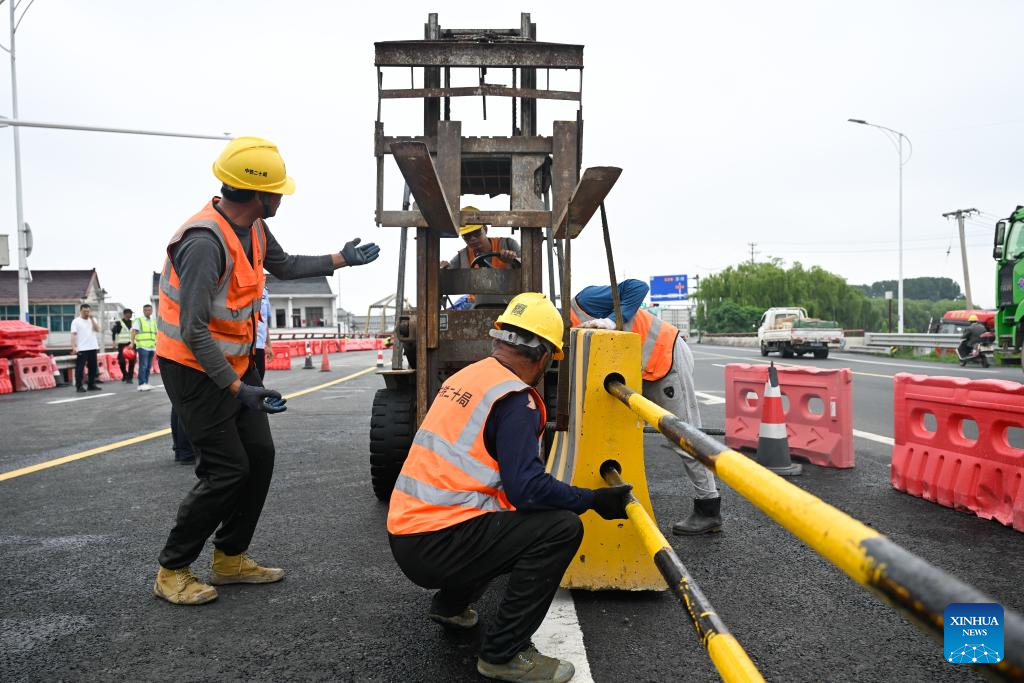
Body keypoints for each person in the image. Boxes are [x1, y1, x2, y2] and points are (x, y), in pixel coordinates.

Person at [152, 136, 380, 606]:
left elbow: (285, 265)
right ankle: (172, 569)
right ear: (259, 195)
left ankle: (230, 558)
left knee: (259, 456)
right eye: (277, 191)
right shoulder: (203, 243)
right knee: (226, 470)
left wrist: (341, 259)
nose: (281, 199)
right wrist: (238, 388)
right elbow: (193, 330)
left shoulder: (253, 227)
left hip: (235, 364)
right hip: (194, 369)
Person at [388, 292, 632, 683]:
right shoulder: (516, 401)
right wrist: (592, 500)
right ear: (543, 356)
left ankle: (451, 605)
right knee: (560, 528)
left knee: (499, 516)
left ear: (500, 338)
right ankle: (503, 653)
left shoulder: (467, 377)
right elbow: (528, 490)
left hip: (407, 532)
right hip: (436, 545)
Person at [570, 279, 722, 535]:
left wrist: (610, 321)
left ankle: (709, 508)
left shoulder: (584, 301)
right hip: (640, 370)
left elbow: (637, 287)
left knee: (684, 435)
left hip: (664, 357)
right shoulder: (567, 330)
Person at [440, 207, 521, 269]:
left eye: (476, 233)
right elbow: (447, 271)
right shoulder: (462, 257)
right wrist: (443, 268)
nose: (472, 239)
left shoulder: (509, 244)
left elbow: (526, 265)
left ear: (485, 229)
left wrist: (513, 260)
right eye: (467, 236)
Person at [70, 303, 102, 393]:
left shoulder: (93, 319)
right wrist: (73, 347)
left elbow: (98, 330)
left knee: (93, 368)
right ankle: (79, 386)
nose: (86, 313)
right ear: (80, 311)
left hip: (93, 347)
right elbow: (73, 334)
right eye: (84, 311)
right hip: (82, 348)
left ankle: (91, 385)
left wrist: (92, 319)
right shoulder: (76, 321)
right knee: (80, 368)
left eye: (88, 311)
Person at [132, 304, 158, 392]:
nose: (148, 312)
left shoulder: (153, 321)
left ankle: (146, 383)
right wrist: (132, 343)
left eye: (149, 310)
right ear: (143, 311)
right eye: (146, 310)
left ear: (151, 311)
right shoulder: (139, 320)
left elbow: (156, 334)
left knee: (148, 366)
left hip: (151, 347)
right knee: (143, 365)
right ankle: (141, 384)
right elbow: (133, 331)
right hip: (142, 346)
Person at [112, 308, 136, 383]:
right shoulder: (119, 322)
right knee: (121, 361)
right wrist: (113, 342)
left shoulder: (134, 322)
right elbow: (114, 332)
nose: (131, 315)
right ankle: (125, 374)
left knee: (132, 361)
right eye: (130, 313)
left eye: (131, 313)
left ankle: (129, 378)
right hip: (122, 344)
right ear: (125, 314)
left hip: (131, 344)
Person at [254, 285, 273, 379]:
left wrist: (268, 345)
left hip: (259, 347)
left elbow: (264, 321)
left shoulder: (264, 290)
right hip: (240, 349)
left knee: (258, 382)